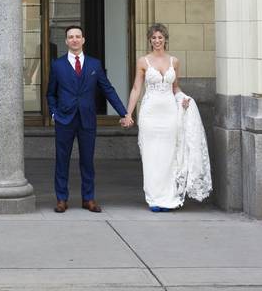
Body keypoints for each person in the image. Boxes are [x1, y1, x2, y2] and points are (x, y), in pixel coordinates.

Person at [124, 23, 212, 212]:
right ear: (150, 40)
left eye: (160, 37)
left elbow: (175, 88)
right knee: (151, 155)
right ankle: (154, 198)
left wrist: (183, 98)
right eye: (154, 38)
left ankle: (169, 196)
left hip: (169, 113)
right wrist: (129, 113)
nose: (157, 41)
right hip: (150, 113)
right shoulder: (143, 61)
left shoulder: (174, 61)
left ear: (165, 39)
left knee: (169, 154)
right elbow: (136, 88)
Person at [46, 25, 133, 213]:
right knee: (62, 160)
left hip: (87, 120)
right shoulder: (57, 65)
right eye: (71, 37)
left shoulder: (94, 64)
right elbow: (50, 94)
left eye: (78, 36)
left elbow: (107, 89)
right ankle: (61, 199)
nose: (74, 40)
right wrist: (54, 113)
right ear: (67, 41)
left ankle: (88, 199)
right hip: (64, 120)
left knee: (87, 161)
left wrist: (123, 113)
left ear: (83, 40)